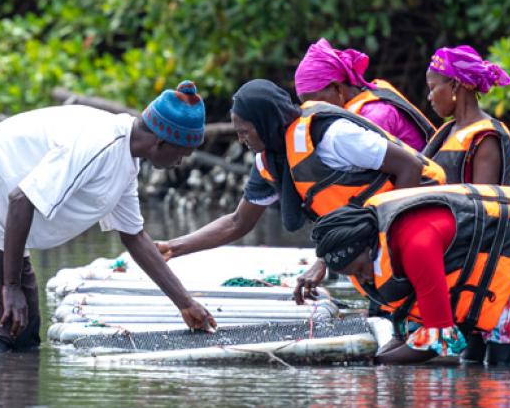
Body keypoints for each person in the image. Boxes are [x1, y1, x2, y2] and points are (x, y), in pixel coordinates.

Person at [0, 82, 218, 352]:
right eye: (183, 153)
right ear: (161, 143)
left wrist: (186, 303)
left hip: (0, 218)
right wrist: (10, 287)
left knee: (24, 336)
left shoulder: (127, 163)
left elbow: (135, 237)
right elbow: (21, 200)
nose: (182, 161)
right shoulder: (100, 144)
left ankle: (15, 406)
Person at [158, 79, 444, 297]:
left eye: (245, 130)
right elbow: (237, 222)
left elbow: (409, 167)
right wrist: (174, 247)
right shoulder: (270, 160)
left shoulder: (331, 136)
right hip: (373, 240)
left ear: (266, 122)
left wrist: (389, 248)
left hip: (423, 214)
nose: (241, 139)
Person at [311, 183, 510, 365]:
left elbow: (439, 341)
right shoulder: (375, 239)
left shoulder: (416, 245)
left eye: (361, 270)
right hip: (499, 260)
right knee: (472, 363)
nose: (366, 279)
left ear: (369, 247)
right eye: (355, 277)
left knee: (506, 372)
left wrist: (373, 363)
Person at [293, 38, 435, 150]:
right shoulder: (357, 106)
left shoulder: (376, 114)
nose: (314, 111)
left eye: (318, 103)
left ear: (337, 88)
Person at [421, 44, 510, 185]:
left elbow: (484, 202)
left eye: (432, 88)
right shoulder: (446, 131)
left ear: (455, 85)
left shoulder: (486, 137)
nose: (429, 97)